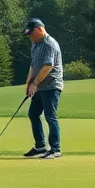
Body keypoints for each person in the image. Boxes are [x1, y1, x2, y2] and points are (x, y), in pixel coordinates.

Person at [23, 18, 63, 159]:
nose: (30, 38)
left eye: (31, 34)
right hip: (39, 86)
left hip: (51, 86)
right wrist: (29, 83)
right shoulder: (35, 44)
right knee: (33, 114)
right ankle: (40, 146)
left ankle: (55, 149)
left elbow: (47, 66)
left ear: (39, 29)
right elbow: (33, 65)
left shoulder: (49, 44)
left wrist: (35, 84)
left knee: (50, 116)